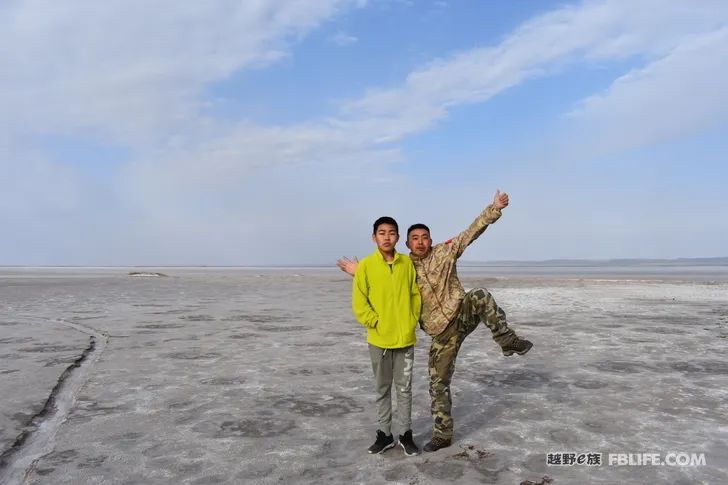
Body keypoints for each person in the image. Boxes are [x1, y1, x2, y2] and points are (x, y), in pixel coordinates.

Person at [338, 190, 532, 453]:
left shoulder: (446, 252)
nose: (420, 242)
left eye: (424, 237)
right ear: (406, 244)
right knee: (437, 384)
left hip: (462, 313)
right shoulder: (407, 266)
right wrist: (358, 271)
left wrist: (495, 207)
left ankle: (507, 340)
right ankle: (443, 435)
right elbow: (384, 275)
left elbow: (471, 231)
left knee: (480, 295)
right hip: (441, 334)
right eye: (414, 239)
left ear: (431, 239)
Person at [352, 216, 422, 456]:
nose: (387, 237)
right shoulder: (366, 266)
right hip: (379, 340)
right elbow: (359, 301)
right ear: (374, 237)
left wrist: (411, 320)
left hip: (405, 340)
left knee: (404, 389)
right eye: (382, 233)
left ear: (398, 237)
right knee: (382, 389)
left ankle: (405, 434)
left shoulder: (406, 264)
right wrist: (375, 321)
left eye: (391, 233)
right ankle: (384, 434)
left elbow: (415, 295)